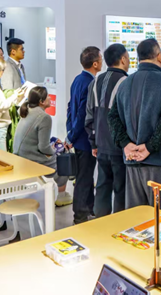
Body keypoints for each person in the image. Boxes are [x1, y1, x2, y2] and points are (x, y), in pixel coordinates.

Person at [108, 39, 161, 209]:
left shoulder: (125, 84)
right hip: (160, 165)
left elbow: (112, 117)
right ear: (159, 56)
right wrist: (149, 147)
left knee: (137, 219)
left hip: (132, 163)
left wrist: (126, 144)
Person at [85, 44, 129, 218]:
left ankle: (101, 224)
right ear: (123, 59)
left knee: (102, 186)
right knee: (121, 188)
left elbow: (89, 115)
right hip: (120, 147)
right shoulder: (126, 82)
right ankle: (119, 225)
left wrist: (93, 143)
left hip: (101, 145)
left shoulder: (95, 81)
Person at [15, 87, 72, 206]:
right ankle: (62, 196)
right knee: (63, 159)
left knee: (57, 148)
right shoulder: (44, 117)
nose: (50, 98)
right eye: (48, 96)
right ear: (41, 101)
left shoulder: (28, 110)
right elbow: (43, 148)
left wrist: (52, 146)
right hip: (31, 158)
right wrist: (55, 150)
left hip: (21, 156)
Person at [67, 46, 103, 224]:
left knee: (86, 176)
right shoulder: (91, 84)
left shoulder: (77, 80)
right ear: (95, 64)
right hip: (85, 139)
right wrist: (73, 136)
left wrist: (69, 133)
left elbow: (70, 108)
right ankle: (80, 215)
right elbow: (83, 114)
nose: (102, 62)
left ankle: (89, 207)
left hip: (78, 137)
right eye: (100, 59)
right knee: (83, 178)